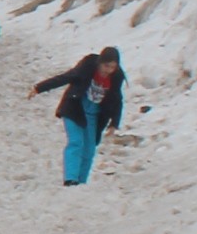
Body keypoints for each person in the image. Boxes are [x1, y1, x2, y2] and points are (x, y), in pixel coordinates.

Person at [34, 48, 127, 183]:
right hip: (75, 108)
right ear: (100, 62)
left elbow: (117, 100)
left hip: (94, 115)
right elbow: (66, 77)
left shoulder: (116, 77)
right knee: (76, 142)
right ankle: (70, 179)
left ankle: (81, 181)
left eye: (113, 67)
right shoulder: (87, 66)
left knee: (89, 149)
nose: (108, 70)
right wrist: (39, 88)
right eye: (106, 66)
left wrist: (114, 123)